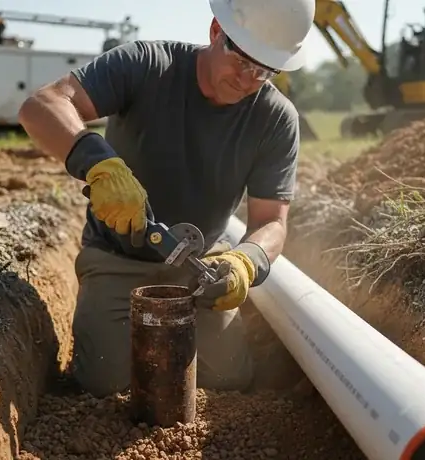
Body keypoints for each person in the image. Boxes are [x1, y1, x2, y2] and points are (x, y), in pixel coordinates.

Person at [18, 0, 315, 397]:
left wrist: (246, 261)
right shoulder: (148, 65)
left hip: (199, 270)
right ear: (215, 31)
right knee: (104, 385)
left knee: (229, 381)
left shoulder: (276, 119)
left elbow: (272, 223)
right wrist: (100, 166)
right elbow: (42, 105)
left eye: (264, 71)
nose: (248, 79)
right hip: (116, 260)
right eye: (242, 60)